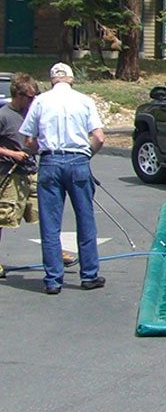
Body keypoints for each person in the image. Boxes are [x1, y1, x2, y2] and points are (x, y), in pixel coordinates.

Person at [20, 63, 105, 295]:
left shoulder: (40, 101)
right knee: (85, 219)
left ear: (51, 81)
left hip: (50, 161)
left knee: (50, 223)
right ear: (71, 79)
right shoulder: (84, 100)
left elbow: (28, 141)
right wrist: (86, 154)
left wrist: (43, 151)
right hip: (77, 160)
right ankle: (89, 275)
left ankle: (53, 280)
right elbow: (98, 137)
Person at [0, 73, 75, 279]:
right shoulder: (4, 115)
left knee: (46, 214)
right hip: (10, 175)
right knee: (3, 216)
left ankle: (54, 253)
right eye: (30, 97)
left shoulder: (32, 113)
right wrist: (12, 153)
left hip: (33, 173)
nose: (33, 101)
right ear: (17, 94)